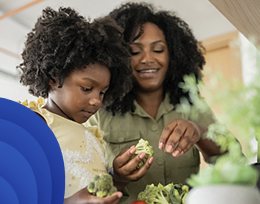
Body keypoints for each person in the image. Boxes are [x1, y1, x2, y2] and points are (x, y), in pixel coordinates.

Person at [86, 2, 224, 203]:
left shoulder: (190, 103)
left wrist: (199, 132)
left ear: (173, 55)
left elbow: (232, 156)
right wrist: (117, 178)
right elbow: (85, 189)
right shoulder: (97, 110)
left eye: (158, 49)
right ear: (118, 58)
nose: (147, 59)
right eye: (135, 52)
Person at [17, 7, 153, 204]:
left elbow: (96, 193)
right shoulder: (36, 123)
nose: (96, 101)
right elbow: (16, 193)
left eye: (102, 92)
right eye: (87, 88)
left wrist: (117, 178)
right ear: (54, 77)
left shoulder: (93, 135)